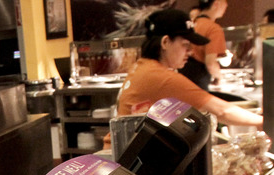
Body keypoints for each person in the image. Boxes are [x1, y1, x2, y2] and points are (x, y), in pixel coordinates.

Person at [106, 9, 262, 149]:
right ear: (165, 42)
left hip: (123, 153)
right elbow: (222, 111)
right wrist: (262, 121)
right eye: (185, 45)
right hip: (126, 158)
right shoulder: (161, 78)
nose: (190, 52)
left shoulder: (144, 66)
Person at [179, 0, 228, 90]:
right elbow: (210, 63)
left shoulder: (191, 24)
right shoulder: (214, 29)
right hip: (198, 78)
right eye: (225, 3)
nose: (226, 6)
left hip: (182, 74)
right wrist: (219, 77)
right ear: (216, 4)